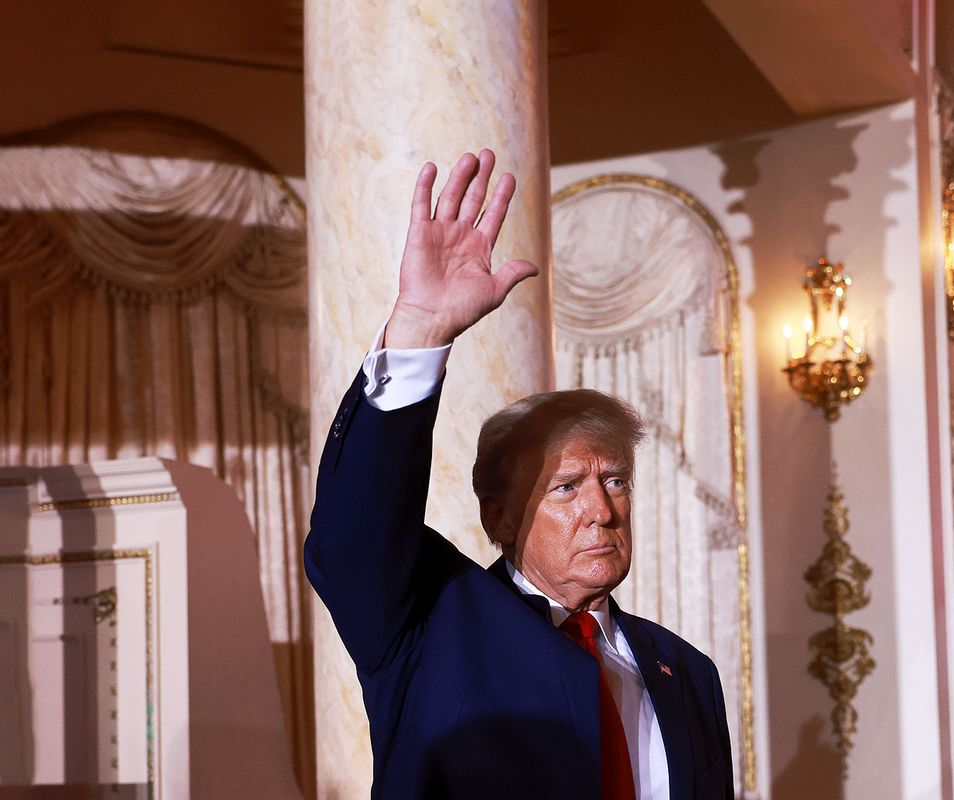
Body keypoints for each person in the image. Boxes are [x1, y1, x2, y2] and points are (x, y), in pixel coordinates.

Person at [305, 150, 735, 800]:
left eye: (614, 480)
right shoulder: (428, 623)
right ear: (500, 515)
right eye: (567, 487)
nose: (602, 510)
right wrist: (420, 329)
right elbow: (351, 533)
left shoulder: (687, 673)